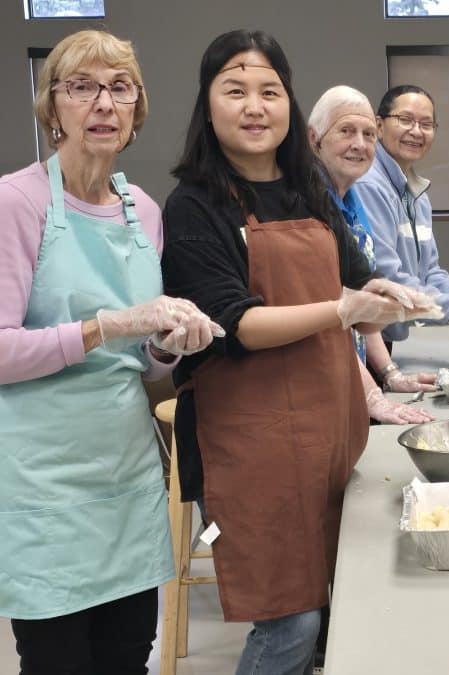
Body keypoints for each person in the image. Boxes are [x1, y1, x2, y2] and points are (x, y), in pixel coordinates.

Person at [162, 30, 425, 674]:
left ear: (288, 106)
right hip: (252, 446)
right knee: (289, 617)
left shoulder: (309, 188)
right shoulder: (194, 204)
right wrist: (340, 311)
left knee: (338, 601)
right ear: (208, 105)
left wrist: (383, 291)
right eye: (236, 90)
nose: (255, 106)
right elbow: (236, 323)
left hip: (328, 429)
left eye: (269, 91)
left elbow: (358, 273)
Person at [0, 30, 218, 674]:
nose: (103, 103)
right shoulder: (18, 201)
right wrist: (109, 324)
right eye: (82, 87)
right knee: (59, 661)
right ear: (52, 107)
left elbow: (145, 366)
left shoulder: (141, 211)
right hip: (45, 482)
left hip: (124, 475)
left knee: (129, 654)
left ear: (136, 110)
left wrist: (166, 345)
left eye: (120, 88)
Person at [308, 84, 436, 424]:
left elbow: (363, 299)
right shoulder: (307, 208)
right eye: (346, 131)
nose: (360, 145)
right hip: (322, 384)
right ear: (314, 138)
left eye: (367, 134)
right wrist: (372, 394)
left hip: (355, 376)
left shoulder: (352, 200)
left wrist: (389, 373)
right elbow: (333, 319)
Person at [355, 84, 449, 360]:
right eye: (405, 120)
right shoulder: (369, 185)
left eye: (426, 124)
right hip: (366, 344)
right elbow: (386, 278)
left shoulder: (417, 195)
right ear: (379, 125)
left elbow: (429, 273)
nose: (416, 131)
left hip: (391, 341)